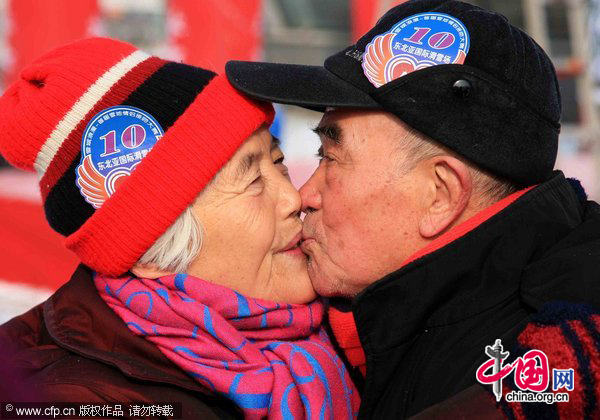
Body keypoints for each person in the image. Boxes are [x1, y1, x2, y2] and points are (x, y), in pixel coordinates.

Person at [225, 0, 600, 418]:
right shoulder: (372, 327)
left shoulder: (549, 374)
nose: (302, 196)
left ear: (439, 195)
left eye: (329, 157)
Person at [0, 37, 360, 419]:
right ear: (154, 251)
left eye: (278, 161)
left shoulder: (353, 328)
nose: (293, 198)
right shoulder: (65, 402)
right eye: (253, 181)